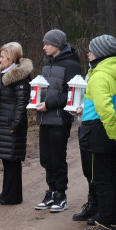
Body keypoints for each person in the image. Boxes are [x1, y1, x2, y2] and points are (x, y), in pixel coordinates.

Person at [74, 34, 116, 230]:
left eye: (91, 49)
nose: (88, 53)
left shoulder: (99, 76)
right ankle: (111, 224)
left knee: (101, 181)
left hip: (98, 133)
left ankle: (103, 227)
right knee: (110, 178)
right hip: (111, 132)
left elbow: (104, 109)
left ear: (100, 53)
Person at [33, 29, 82, 213]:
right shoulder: (47, 63)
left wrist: (49, 103)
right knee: (46, 158)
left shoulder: (71, 65)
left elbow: (72, 94)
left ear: (56, 45)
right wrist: (35, 99)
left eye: (47, 43)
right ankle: (51, 192)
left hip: (60, 119)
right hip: (44, 117)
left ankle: (61, 195)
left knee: (57, 158)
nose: (44, 47)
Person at [0, 42, 32, 205]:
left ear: (11, 58)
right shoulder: (4, 74)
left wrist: (15, 125)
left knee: (12, 161)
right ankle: (7, 192)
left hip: (12, 126)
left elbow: (21, 104)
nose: (0, 60)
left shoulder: (19, 77)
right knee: (7, 160)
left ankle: (13, 196)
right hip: (3, 124)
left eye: (2, 57)